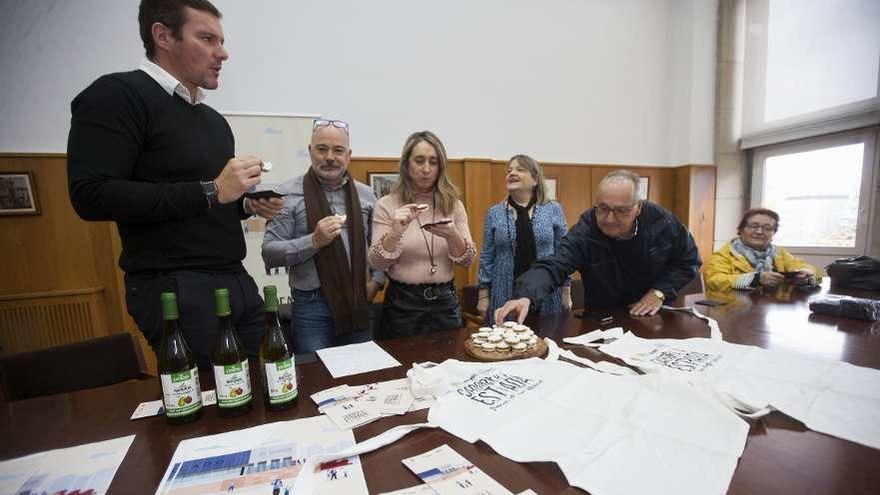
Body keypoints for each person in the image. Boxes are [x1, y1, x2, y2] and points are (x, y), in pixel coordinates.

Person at [67, 0, 283, 369]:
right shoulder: (118, 95)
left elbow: (201, 201)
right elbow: (92, 194)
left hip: (235, 278)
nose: (223, 53)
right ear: (163, 36)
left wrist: (243, 205)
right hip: (176, 286)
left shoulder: (213, 121)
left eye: (221, 40)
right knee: (217, 406)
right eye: (207, 38)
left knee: (270, 388)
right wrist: (212, 190)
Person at [495, 169, 700, 322]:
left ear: (638, 208)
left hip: (653, 316)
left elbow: (689, 261)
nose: (609, 218)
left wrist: (659, 292)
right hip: (603, 319)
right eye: (603, 208)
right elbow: (556, 264)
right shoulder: (587, 229)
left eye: (621, 211)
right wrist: (526, 295)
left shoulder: (662, 223)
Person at [262, 119, 385, 353]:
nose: (330, 157)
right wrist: (313, 241)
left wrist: (377, 281)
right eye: (322, 149)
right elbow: (270, 253)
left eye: (338, 150)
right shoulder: (287, 194)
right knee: (316, 379)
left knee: (363, 378)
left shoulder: (367, 195)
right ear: (310, 151)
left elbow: (379, 246)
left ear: (348, 155)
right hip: (311, 307)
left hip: (358, 301)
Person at [369, 131, 476, 338]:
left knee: (448, 366)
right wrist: (395, 231)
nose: (426, 169)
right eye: (419, 161)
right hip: (402, 305)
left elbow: (468, 260)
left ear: (441, 167)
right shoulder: (387, 205)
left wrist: (452, 235)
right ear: (406, 164)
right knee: (402, 366)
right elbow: (377, 263)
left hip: (445, 303)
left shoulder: (453, 205)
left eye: (433, 162)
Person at [477, 155, 571, 321]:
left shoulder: (553, 209)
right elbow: (487, 255)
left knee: (546, 340)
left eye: (520, 169)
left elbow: (563, 253)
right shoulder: (494, 213)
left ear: (535, 179)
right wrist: (483, 296)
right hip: (504, 291)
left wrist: (566, 291)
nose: (512, 173)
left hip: (547, 291)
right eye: (509, 170)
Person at [705, 208, 821, 292]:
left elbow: (810, 269)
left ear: (773, 233)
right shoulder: (725, 253)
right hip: (734, 308)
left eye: (767, 228)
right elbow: (714, 280)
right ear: (741, 229)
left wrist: (806, 275)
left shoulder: (779, 253)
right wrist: (756, 279)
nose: (759, 232)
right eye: (754, 226)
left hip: (772, 309)